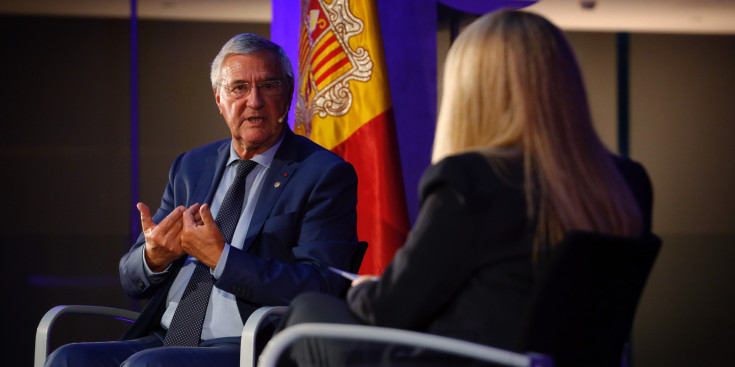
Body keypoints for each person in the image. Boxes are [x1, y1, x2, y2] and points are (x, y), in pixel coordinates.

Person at [276, 9, 653, 366]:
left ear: (472, 91)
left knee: (309, 309)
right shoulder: (628, 181)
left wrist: (363, 289)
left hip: (463, 358)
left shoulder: (473, 180)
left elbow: (387, 310)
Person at [45, 33, 359, 367]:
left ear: (288, 94)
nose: (254, 101)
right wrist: (155, 256)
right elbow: (131, 279)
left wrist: (221, 258)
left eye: (268, 85)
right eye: (238, 87)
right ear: (219, 99)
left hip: (249, 345)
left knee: (147, 366)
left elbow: (321, 284)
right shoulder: (191, 166)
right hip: (163, 337)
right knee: (68, 358)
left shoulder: (323, 173)